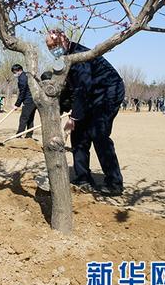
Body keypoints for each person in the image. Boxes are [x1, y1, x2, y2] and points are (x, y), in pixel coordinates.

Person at [46, 29, 125, 196]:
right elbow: (69, 89)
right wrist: (58, 109)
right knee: (79, 135)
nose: (53, 49)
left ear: (65, 41)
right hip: (89, 95)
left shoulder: (81, 56)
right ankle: (83, 178)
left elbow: (83, 88)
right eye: (49, 47)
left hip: (107, 93)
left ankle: (114, 183)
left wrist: (74, 117)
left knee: (99, 135)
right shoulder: (64, 59)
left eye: (55, 45)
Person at [11, 64, 37, 138]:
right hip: (34, 100)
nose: (14, 74)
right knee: (30, 118)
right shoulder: (27, 75)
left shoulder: (22, 78)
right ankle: (29, 135)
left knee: (23, 118)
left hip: (29, 100)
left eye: (14, 72)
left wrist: (17, 104)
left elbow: (22, 92)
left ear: (19, 70)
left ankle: (19, 135)